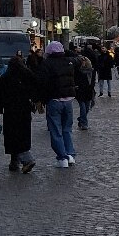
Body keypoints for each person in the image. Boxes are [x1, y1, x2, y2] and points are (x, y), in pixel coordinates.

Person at [0, 55, 38, 173]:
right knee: (23, 135)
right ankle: (14, 161)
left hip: (10, 112)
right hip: (25, 110)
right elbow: (35, 90)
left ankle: (26, 160)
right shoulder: (28, 76)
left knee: (12, 136)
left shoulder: (4, 79)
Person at [37, 40, 77, 168]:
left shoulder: (47, 64)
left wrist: (42, 100)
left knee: (55, 131)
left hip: (54, 100)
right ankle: (70, 155)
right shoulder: (69, 62)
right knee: (67, 129)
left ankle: (62, 157)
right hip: (69, 99)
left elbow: (43, 83)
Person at [74, 52, 95, 130]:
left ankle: (81, 119)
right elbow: (75, 79)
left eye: (84, 61)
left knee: (86, 108)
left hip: (88, 91)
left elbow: (92, 82)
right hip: (80, 91)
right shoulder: (77, 70)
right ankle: (84, 124)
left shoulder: (91, 71)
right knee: (82, 107)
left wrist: (92, 89)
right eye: (81, 61)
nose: (83, 63)